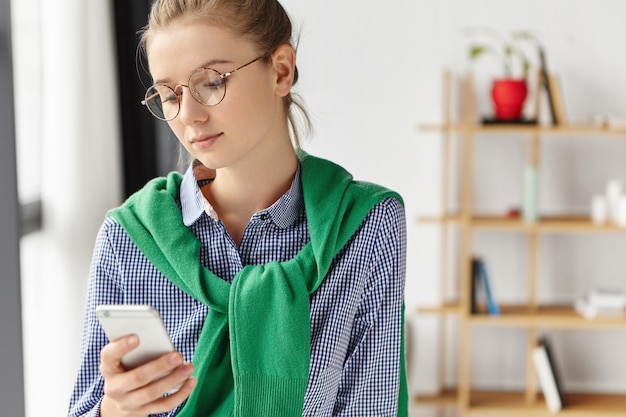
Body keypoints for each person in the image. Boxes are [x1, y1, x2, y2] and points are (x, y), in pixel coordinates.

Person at [68, 0, 407, 416]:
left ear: (280, 70)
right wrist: (114, 411)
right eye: (169, 95)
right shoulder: (130, 235)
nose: (188, 115)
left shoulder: (364, 224)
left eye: (211, 81)